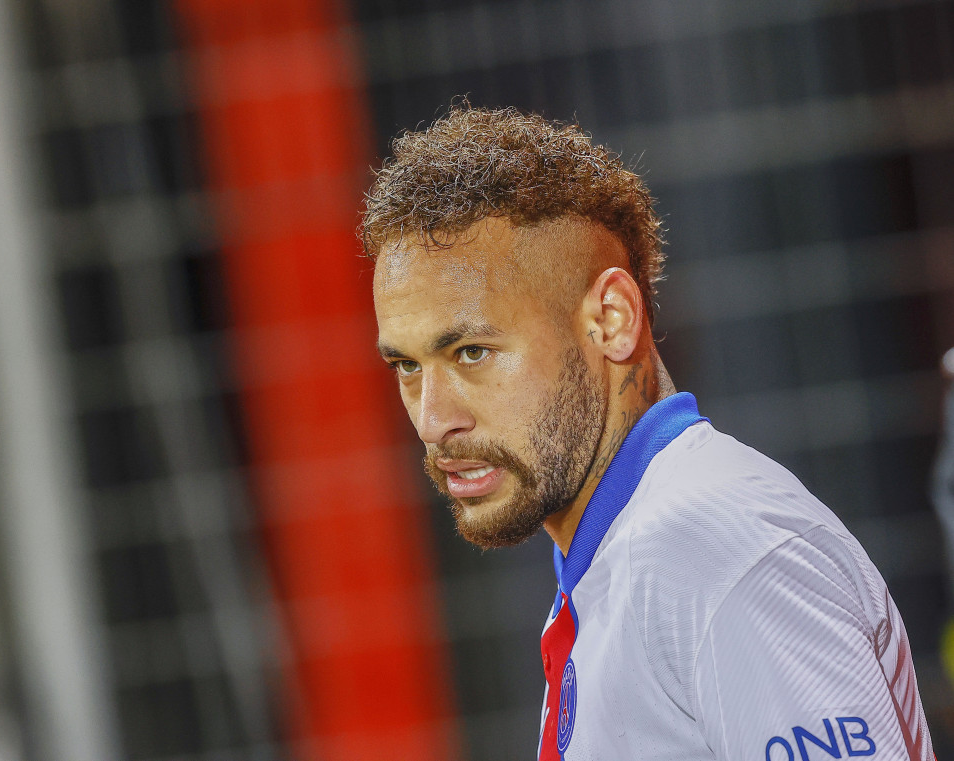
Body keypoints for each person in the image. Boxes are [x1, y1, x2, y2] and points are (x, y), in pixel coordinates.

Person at [363, 107, 933, 760]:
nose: (434, 419)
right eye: (406, 366)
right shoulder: (623, 556)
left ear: (611, 319)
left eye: (470, 352)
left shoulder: (719, 549)